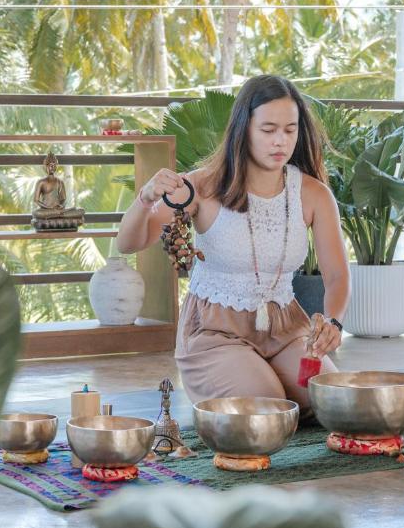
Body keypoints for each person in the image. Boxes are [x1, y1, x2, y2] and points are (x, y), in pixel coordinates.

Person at [116, 75, 348, 413]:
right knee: (267, 407)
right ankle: (253, 382)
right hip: (214, 332)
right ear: (244, 129)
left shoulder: (313, 194)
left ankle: (276, 384)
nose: (280, 141)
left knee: (334, 401)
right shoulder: (202, 186)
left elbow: (338, 275)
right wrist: (145, 198)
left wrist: (335, 322)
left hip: (285, 328)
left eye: (290, 129)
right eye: (268, 130)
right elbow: (128, 243)